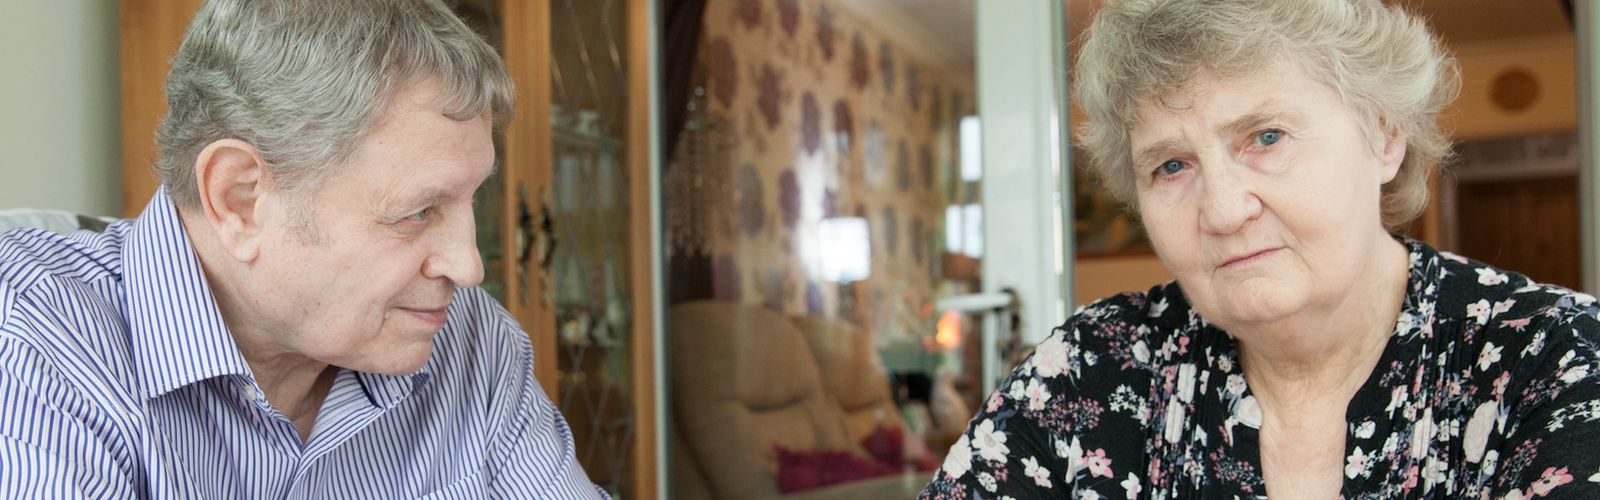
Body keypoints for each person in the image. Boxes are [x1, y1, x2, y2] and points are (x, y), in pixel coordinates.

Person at [919, 0, 1600, 498]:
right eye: (1172, 166)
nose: (1221, 209)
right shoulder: (1091, 371)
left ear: (1385, 135)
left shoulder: (1558, 359)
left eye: (1266, 137)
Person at [0, 0, 609, 498]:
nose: (469, 267)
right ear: (239, 199)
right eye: (418, 211)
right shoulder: (39, 352)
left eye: (470, 202)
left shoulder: (472, 347)